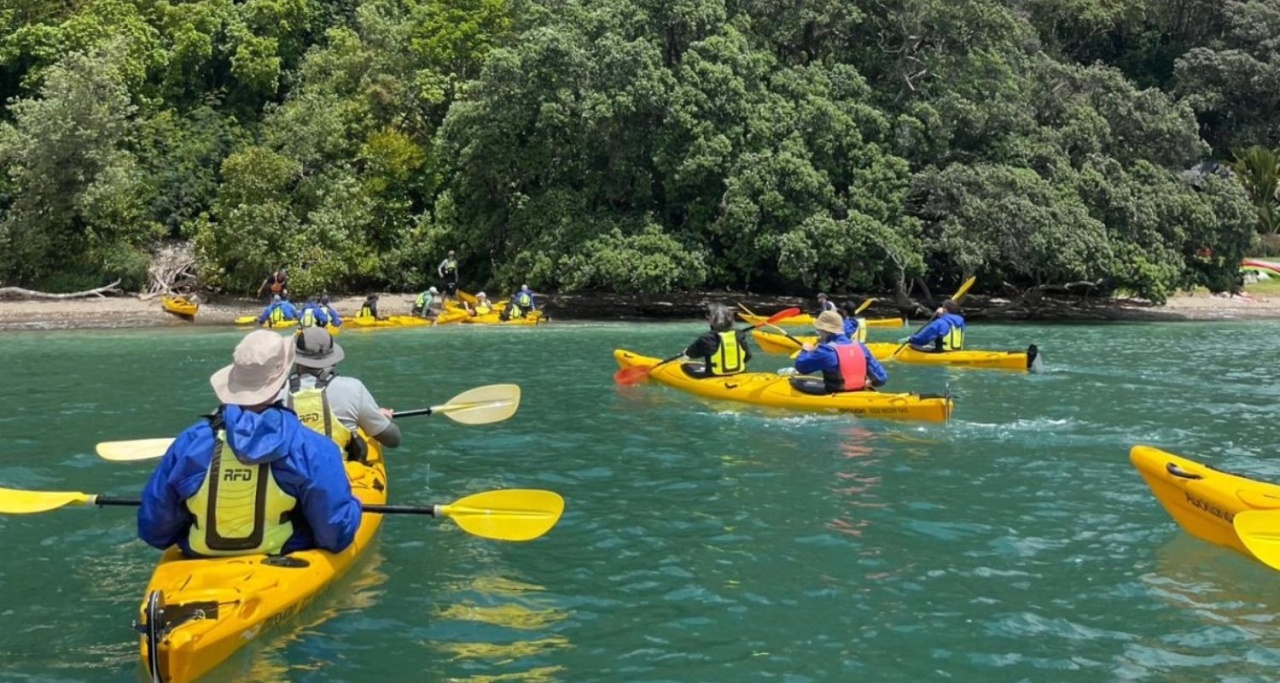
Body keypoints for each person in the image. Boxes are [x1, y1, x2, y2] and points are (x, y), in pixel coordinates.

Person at [137, 330, 362, 558]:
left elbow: (154, 532)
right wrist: (354, 505)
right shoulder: (314, 448)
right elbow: (335, 536)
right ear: (282, 379)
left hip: (199, 558)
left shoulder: (189, 442)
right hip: (280, 559)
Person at [288, 327, 401, 459]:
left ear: (296, 359)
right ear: (332, 359)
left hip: (293, 476)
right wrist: (377, 417)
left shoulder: (279, 392)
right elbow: (393, 439)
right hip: (339, 475)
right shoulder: (353, 388)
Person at [781, 310, 887, 395]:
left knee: (795, 382)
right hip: (860, 391)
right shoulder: (860, 347)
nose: (819, 334)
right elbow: (881, 378)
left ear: (825, 330)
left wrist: (806, 351)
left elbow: (801, 367)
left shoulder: (826, 351)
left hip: (836, 393)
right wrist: (869, 383)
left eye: (819, 330)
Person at [680, 304, 752, 378]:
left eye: (709, 315)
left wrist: (686, 352)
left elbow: (692, 354)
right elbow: (748, 356)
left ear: (712, 319)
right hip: (740, 373)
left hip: (714, 376)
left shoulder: (706, 338)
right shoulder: (739, 334)